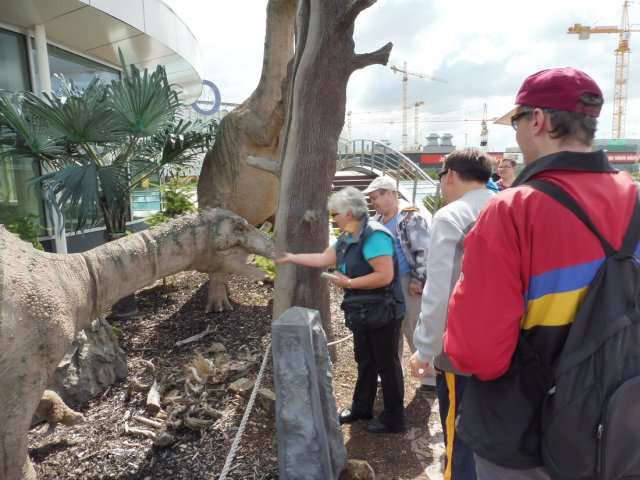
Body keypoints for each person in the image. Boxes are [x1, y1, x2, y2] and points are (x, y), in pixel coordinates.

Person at [442, 67, 640, 479]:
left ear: (537, 120)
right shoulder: (635, 197)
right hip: (624, 427)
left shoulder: (512, 211)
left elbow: (478, 354)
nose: (515, 133)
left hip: (528, 439)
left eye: (516, 121)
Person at [276, 186, 407, 433]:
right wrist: (292, 257)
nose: (333, 218)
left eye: (334, 213)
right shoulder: (348, 235)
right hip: (362, 310)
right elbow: (323, 259)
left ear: (349, 212)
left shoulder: (374, 236)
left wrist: (349, 283)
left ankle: (394, 417)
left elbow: (384, 276)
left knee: (386, 364)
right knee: (364, 359)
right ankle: (362, 408)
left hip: (384, 311)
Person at [410, 147, 495, 480]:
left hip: (463, 347)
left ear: (450, 176)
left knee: (459, 435)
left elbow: (439, 290)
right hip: (512, 341)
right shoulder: (509, 205)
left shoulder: (451, 216)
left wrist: (425, 349)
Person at [363, 176, 436, 392]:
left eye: (375, 197)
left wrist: (419, 278)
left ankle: (429, 377)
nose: (373, 202)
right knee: (388, 330)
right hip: (384, 283)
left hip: (407, 281)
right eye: (371, 199)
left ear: (391, 193)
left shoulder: (411, 217)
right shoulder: (375, 220)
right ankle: (391, 373)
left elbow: (424, 250)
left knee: (414, 328)